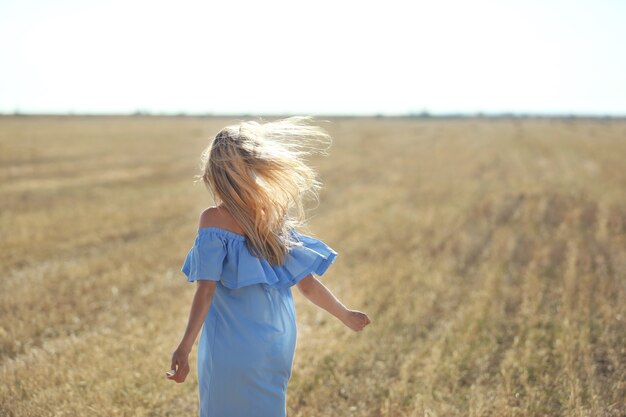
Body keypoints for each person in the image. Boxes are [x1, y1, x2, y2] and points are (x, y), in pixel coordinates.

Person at [166, 116, 371, 417]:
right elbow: (308, 284)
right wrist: (345, 315)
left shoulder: (213, 220)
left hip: (232, 342)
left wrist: (184, 347)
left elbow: (206, 292)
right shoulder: (270, 218)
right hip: (275, 342)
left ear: (215, 174)